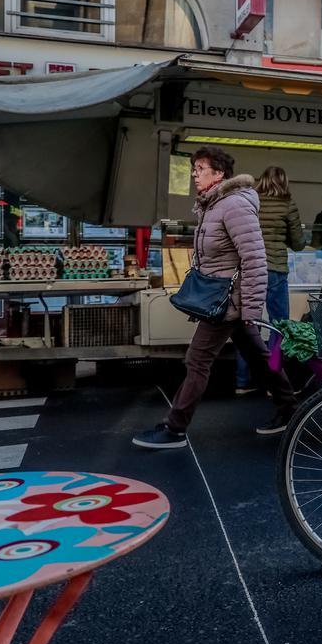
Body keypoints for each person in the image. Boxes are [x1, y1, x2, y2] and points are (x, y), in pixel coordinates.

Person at [133, 146, 296, 449]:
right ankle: (290, 409)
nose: (195, 174)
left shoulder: (233, 204)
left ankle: (175, 427)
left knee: (197, 359)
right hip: (223, 299)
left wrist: (250, 307)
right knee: (260, 359)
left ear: (219, 173)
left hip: (226, 302)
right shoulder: (214, 204)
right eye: (194, 168)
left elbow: (255, 258)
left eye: (201, 168)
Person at [234, 166, 305, 396]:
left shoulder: (250, 202)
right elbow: (298, 243)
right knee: (278, 324)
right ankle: (275, 382)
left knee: (247, 323)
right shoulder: (288, 204)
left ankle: (243, 381)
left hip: (249, 269)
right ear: (284, 182)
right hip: (275, 269)